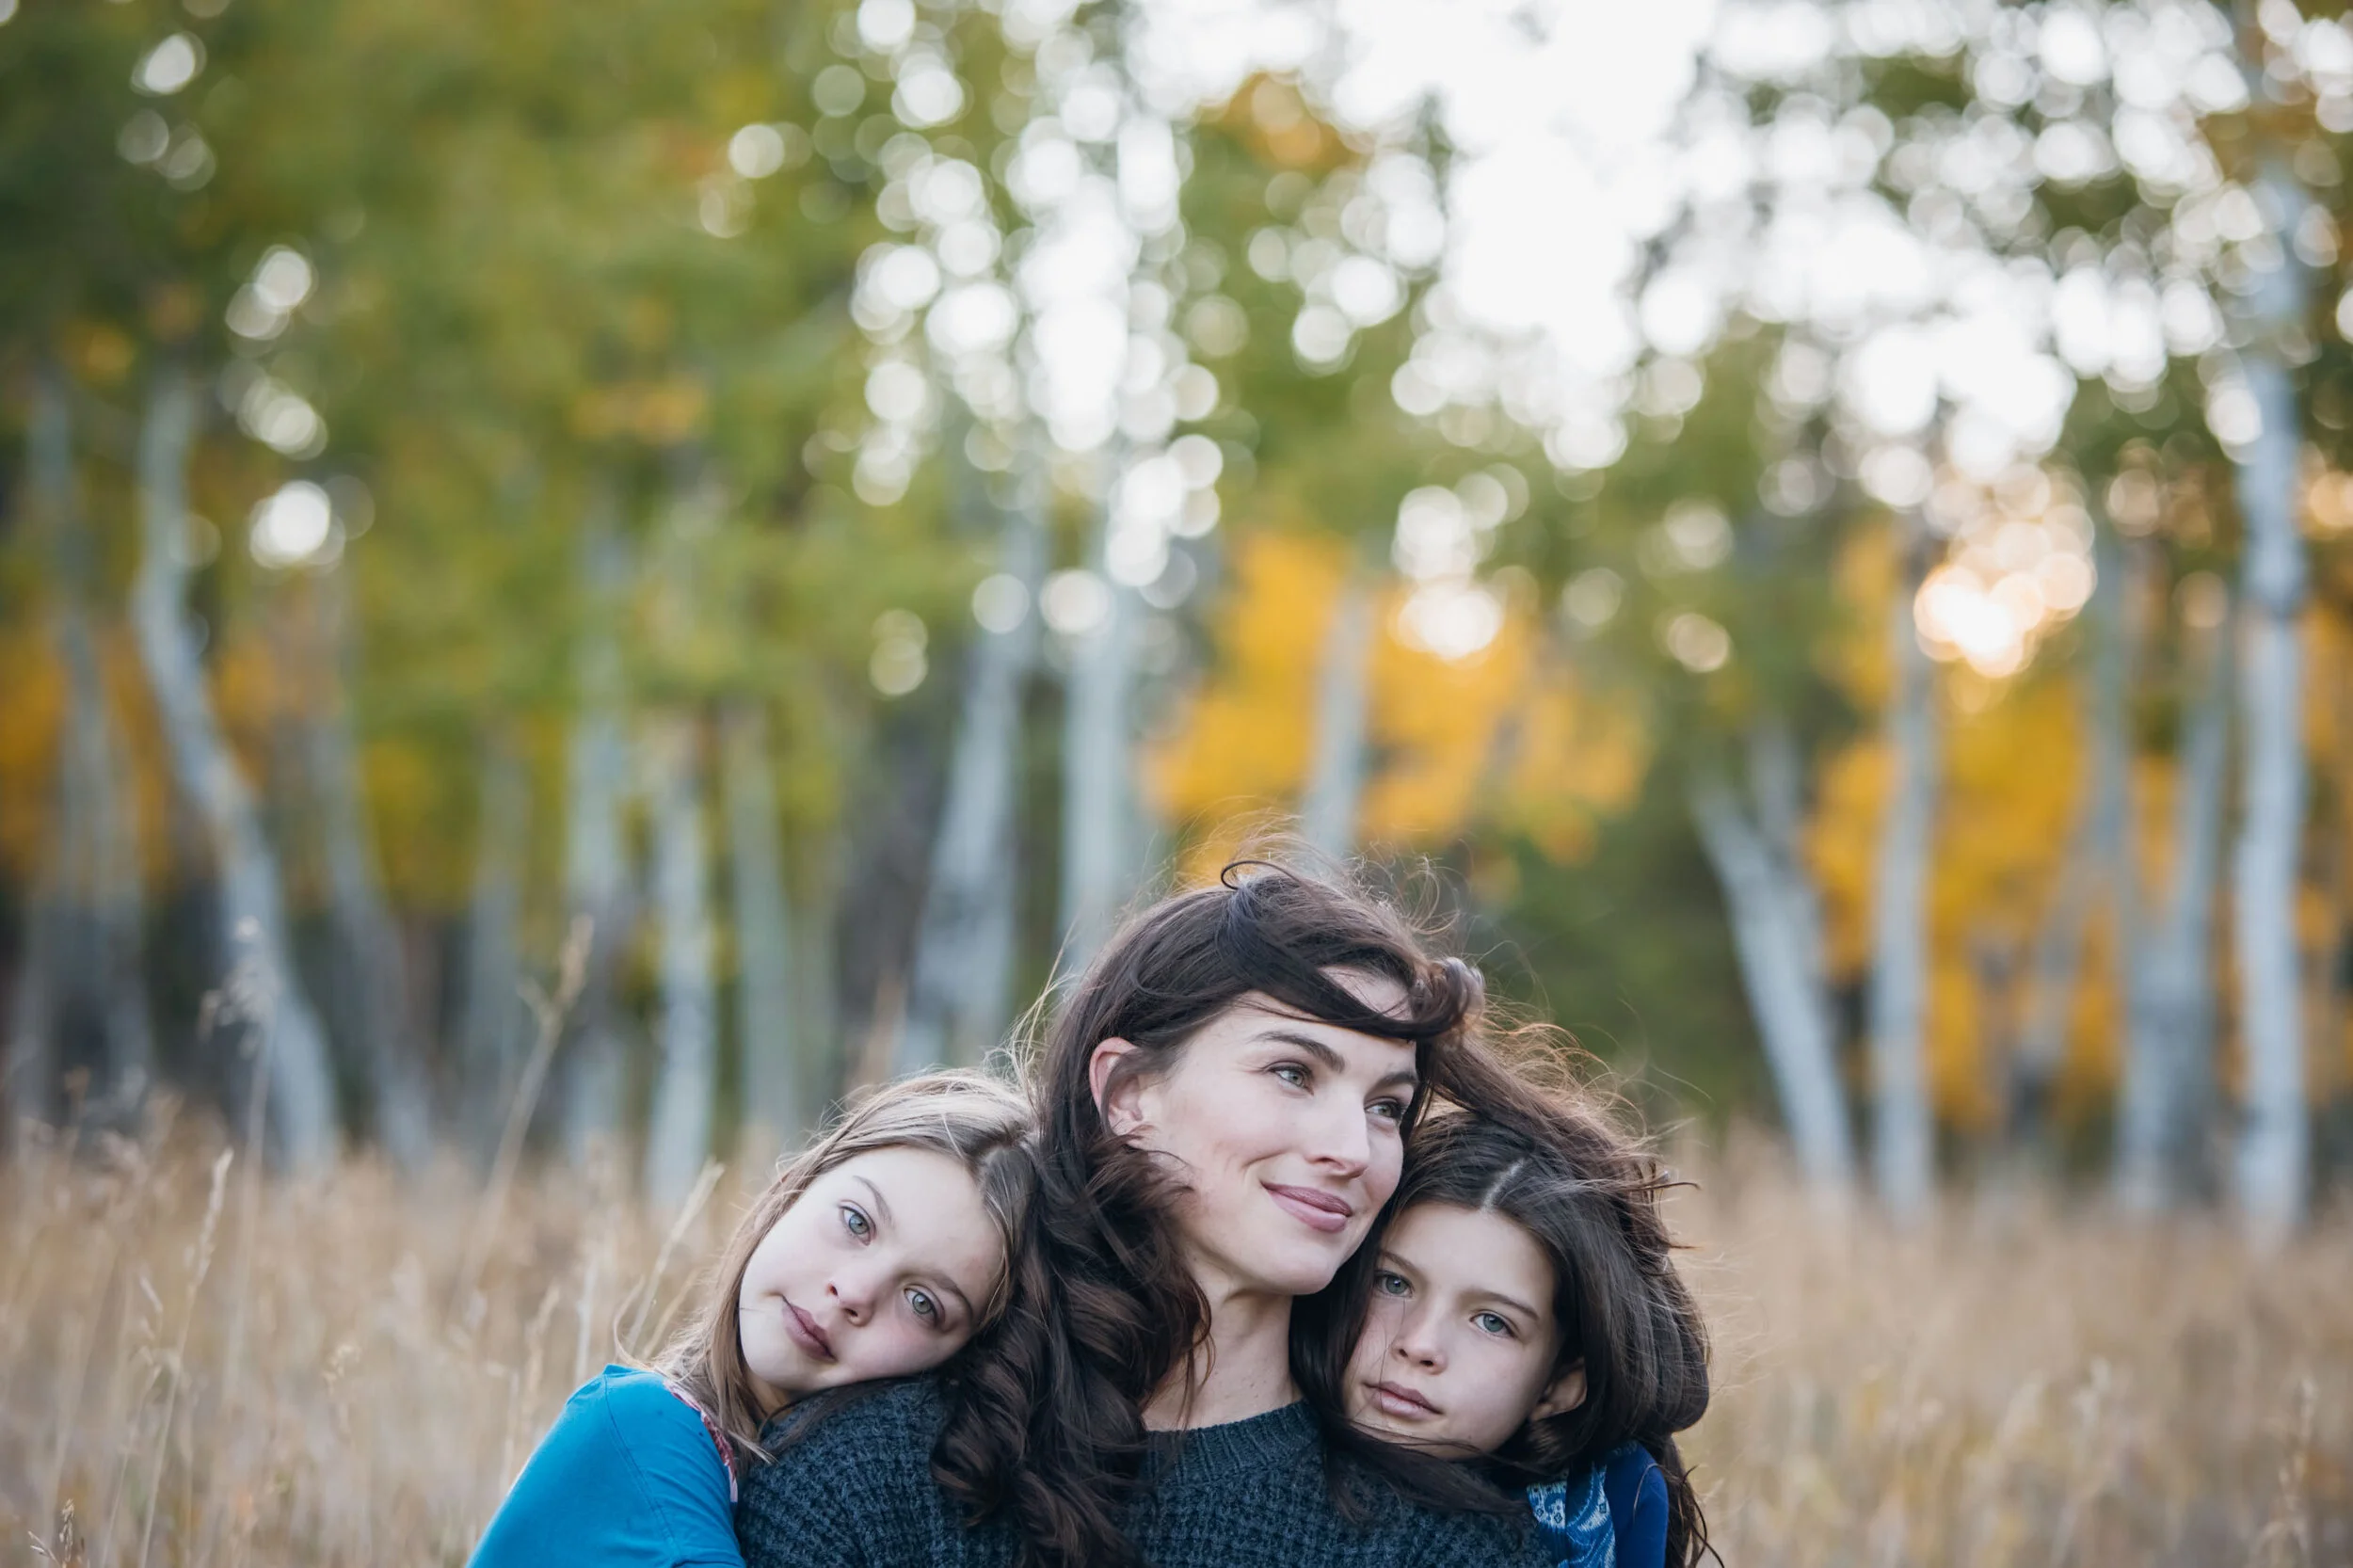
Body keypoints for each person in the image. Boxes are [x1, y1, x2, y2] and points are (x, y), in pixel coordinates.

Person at [736, 858, 1557, 1568]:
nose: (1355, 1148)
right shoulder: (867, 1478)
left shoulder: (1442, 1541)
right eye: (1295, 1073)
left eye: (1387, 1107)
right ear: (1129, 1095)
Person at [468, 1072, 1036, 1568]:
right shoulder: (642, 1428)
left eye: (922, 1303)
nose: (853, 1293)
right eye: (857, 1222)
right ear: (794, 1186)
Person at [1322, 1108, 1711, 1568]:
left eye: (1492, 1322)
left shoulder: (1595, 1526)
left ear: (1561, 1385)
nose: (1419, 1344)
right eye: (1394, 1283)